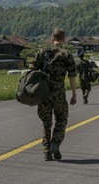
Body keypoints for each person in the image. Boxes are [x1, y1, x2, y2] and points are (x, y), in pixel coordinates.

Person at [29, 27, 77, 161]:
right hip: (59, 94)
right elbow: (72, 76)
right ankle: (55, 144)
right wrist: (74, 94)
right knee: (62, 119)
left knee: (46, 122)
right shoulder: (67, 54)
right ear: (64, 39)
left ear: (52, 39)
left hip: (43, 93)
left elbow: (32, 71)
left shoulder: (42, 52)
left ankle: (46, 151)